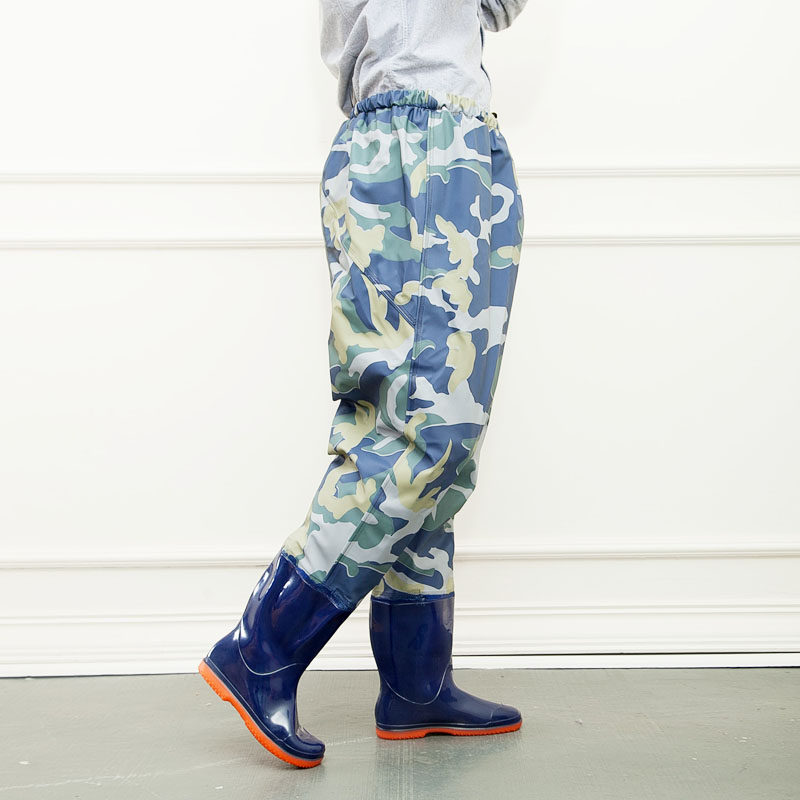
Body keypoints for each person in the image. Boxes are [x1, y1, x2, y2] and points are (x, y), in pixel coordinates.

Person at [199, 0, 529, 769]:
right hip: (428, 144)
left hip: (405, 142)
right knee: (430, 432)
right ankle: (264, 644)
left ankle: (416, 683)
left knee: (409, 426)